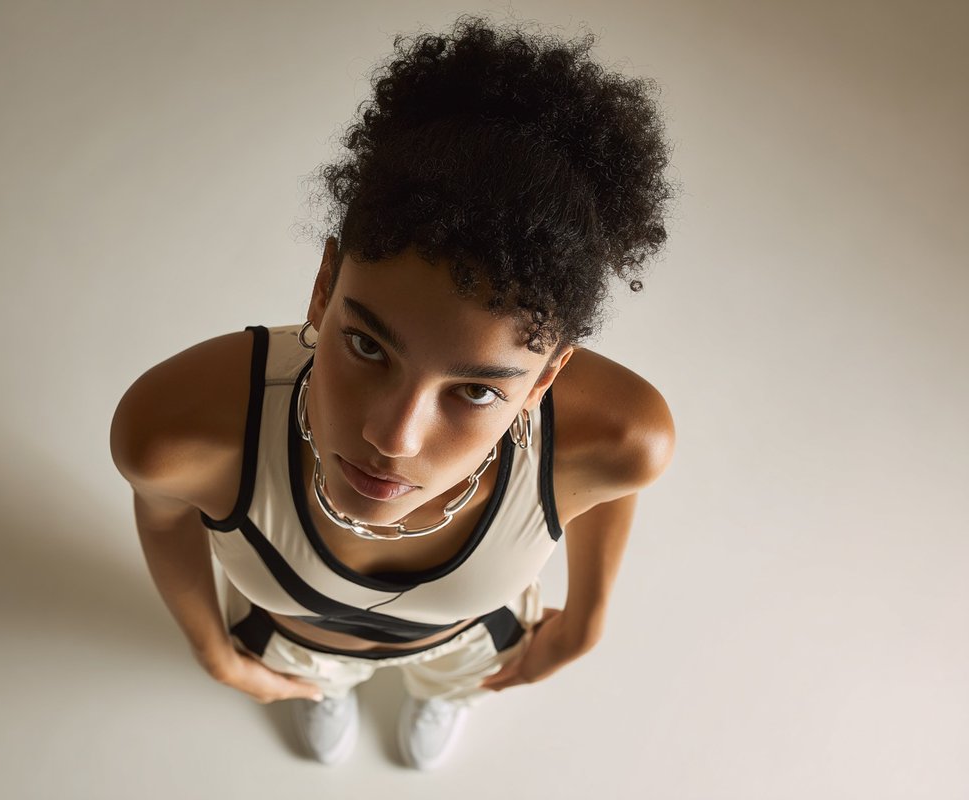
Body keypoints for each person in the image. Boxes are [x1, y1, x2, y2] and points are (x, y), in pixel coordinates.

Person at [110, 15, 676, 769]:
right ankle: (328, 687)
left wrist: (588, 619)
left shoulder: (620, 437)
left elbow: (607, 483)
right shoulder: (179, 430)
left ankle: (438, 692)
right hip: (291, 645)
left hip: (470, 642)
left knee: (452, 680)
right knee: (313, 679)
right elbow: (164, 522)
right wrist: (215, 650)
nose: (394, 437)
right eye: (368, 346)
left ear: (545, 378)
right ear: (323, 288)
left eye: (474, 391)